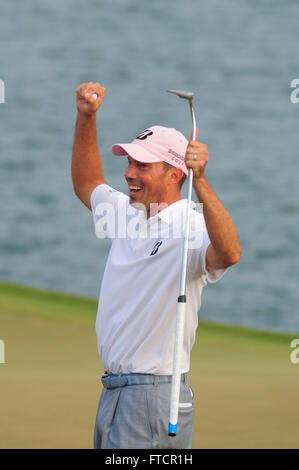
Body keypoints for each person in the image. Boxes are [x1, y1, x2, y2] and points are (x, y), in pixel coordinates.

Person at [71, 82, 242, 449]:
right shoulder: (126, 214)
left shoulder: (190, 227)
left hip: (152, 396)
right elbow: (87, 181)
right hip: (113, 392)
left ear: (174, 174)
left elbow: (229, 254)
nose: (130, 173)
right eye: (130, 162)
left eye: (143, 165)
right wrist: (86, 118)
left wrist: (205, 183)